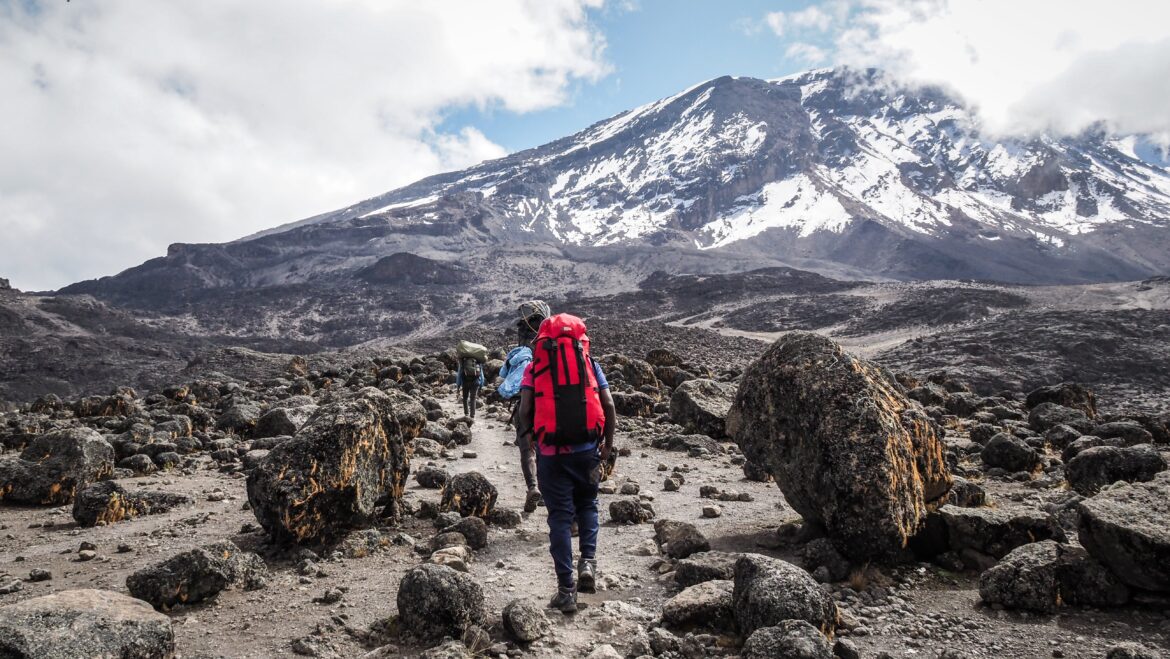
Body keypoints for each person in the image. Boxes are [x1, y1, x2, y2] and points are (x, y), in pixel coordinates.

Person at [516, 313, 617, 613]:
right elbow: (609, 404)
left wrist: (531, 435)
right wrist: (608, 444)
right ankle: (588, 562)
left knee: (559, 517)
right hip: (587, 451)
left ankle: (566, 591)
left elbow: (524, 410)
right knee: (588, 505)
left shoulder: (535, 367)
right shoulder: (590, 364)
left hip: (551, 455)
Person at [498, 300, 550, 513]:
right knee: (547, 448)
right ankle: (548, 493)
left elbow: (504, 377)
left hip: (526, 404)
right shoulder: (556, 347)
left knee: (527, 448)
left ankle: (532, 487)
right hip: (550, 404)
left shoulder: (521, 352)